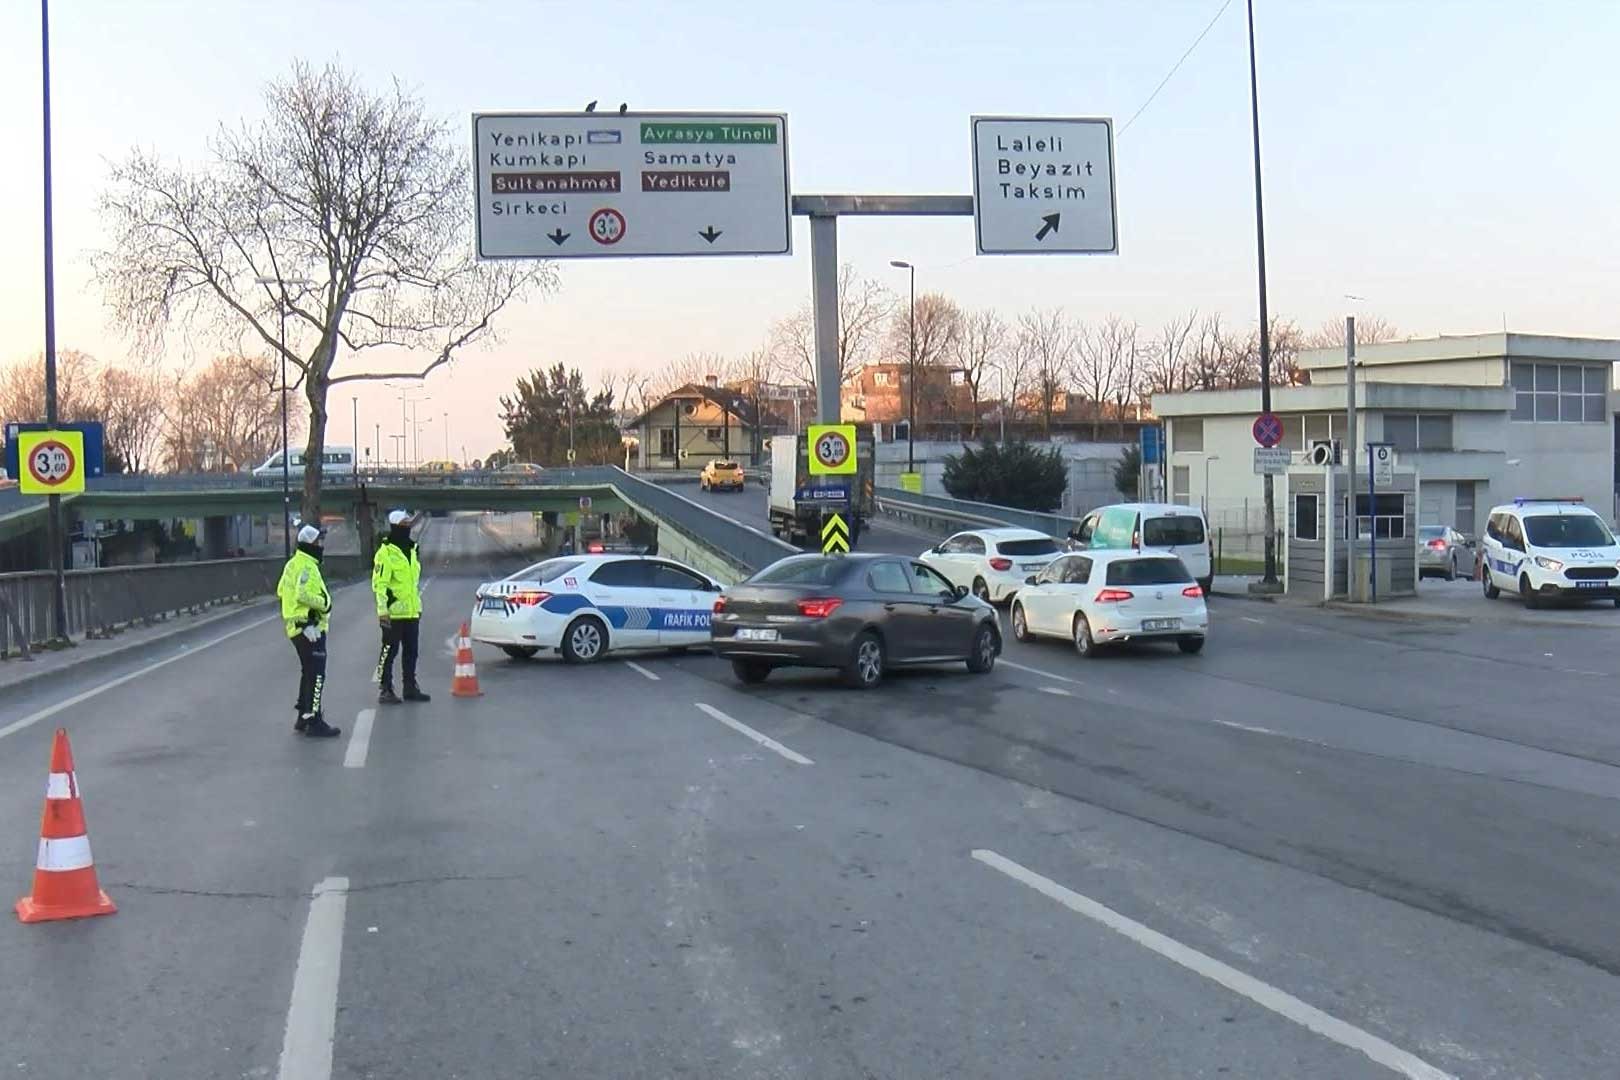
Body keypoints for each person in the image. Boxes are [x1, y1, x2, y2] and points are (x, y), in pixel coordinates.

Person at [277, 524, 341, 738]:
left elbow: (280, 589)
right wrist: (324, 603)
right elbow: (303, 593)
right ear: (309, 544)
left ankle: (303, 717)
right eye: (318, 542)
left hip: (296, 628)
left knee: (308, 672)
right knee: (317, 675)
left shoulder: (292, 564)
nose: (321, 545)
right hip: (309, 627)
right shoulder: (306, 566)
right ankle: (313, 720)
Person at [373, 509, 430, 705]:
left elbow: (412, 583)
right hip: (393, 613)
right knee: (389, 651)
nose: (408, 527)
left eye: (409, 523)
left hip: (411, 611)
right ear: (396, 526)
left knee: (411, 651)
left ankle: (410, 687)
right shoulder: (386, 553)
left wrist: (418, 606)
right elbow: (379, 585)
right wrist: (382, 611)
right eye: (405, 524)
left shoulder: (412, 550)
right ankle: (385, 688)